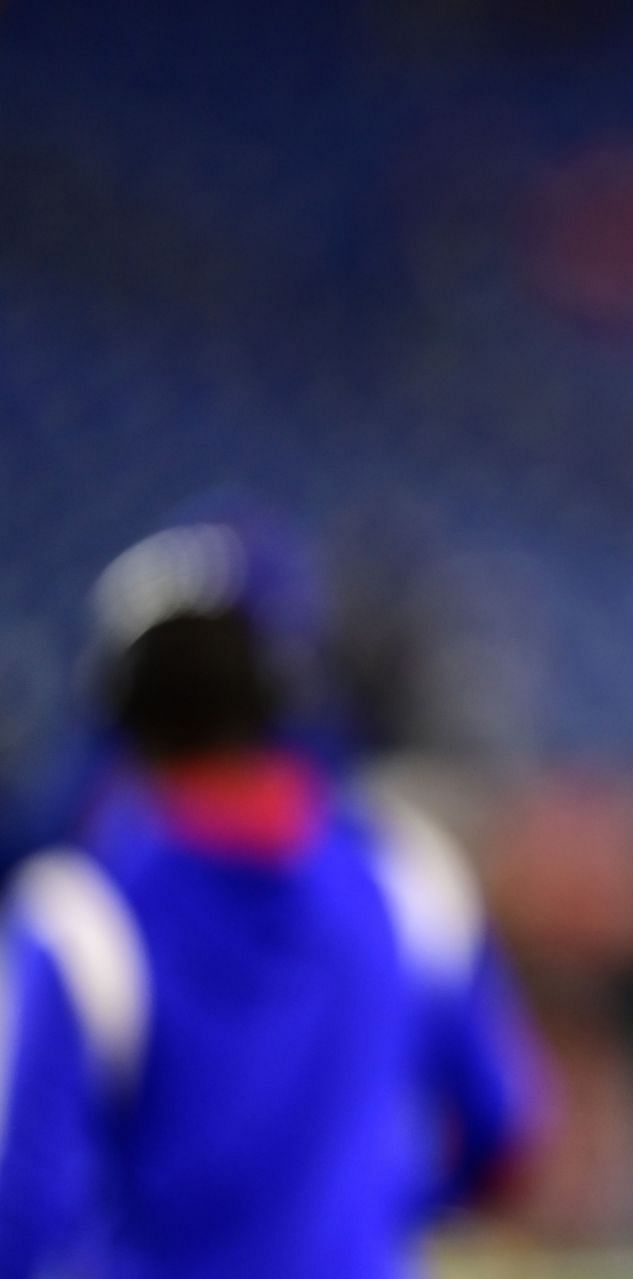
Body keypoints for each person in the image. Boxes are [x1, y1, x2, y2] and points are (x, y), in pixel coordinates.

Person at [0, 518, 541, 1278]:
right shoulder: (411, 879)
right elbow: (505, 1137)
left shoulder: (75, 918)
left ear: (125, 710)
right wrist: (369, 1214)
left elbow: (23, 1220)